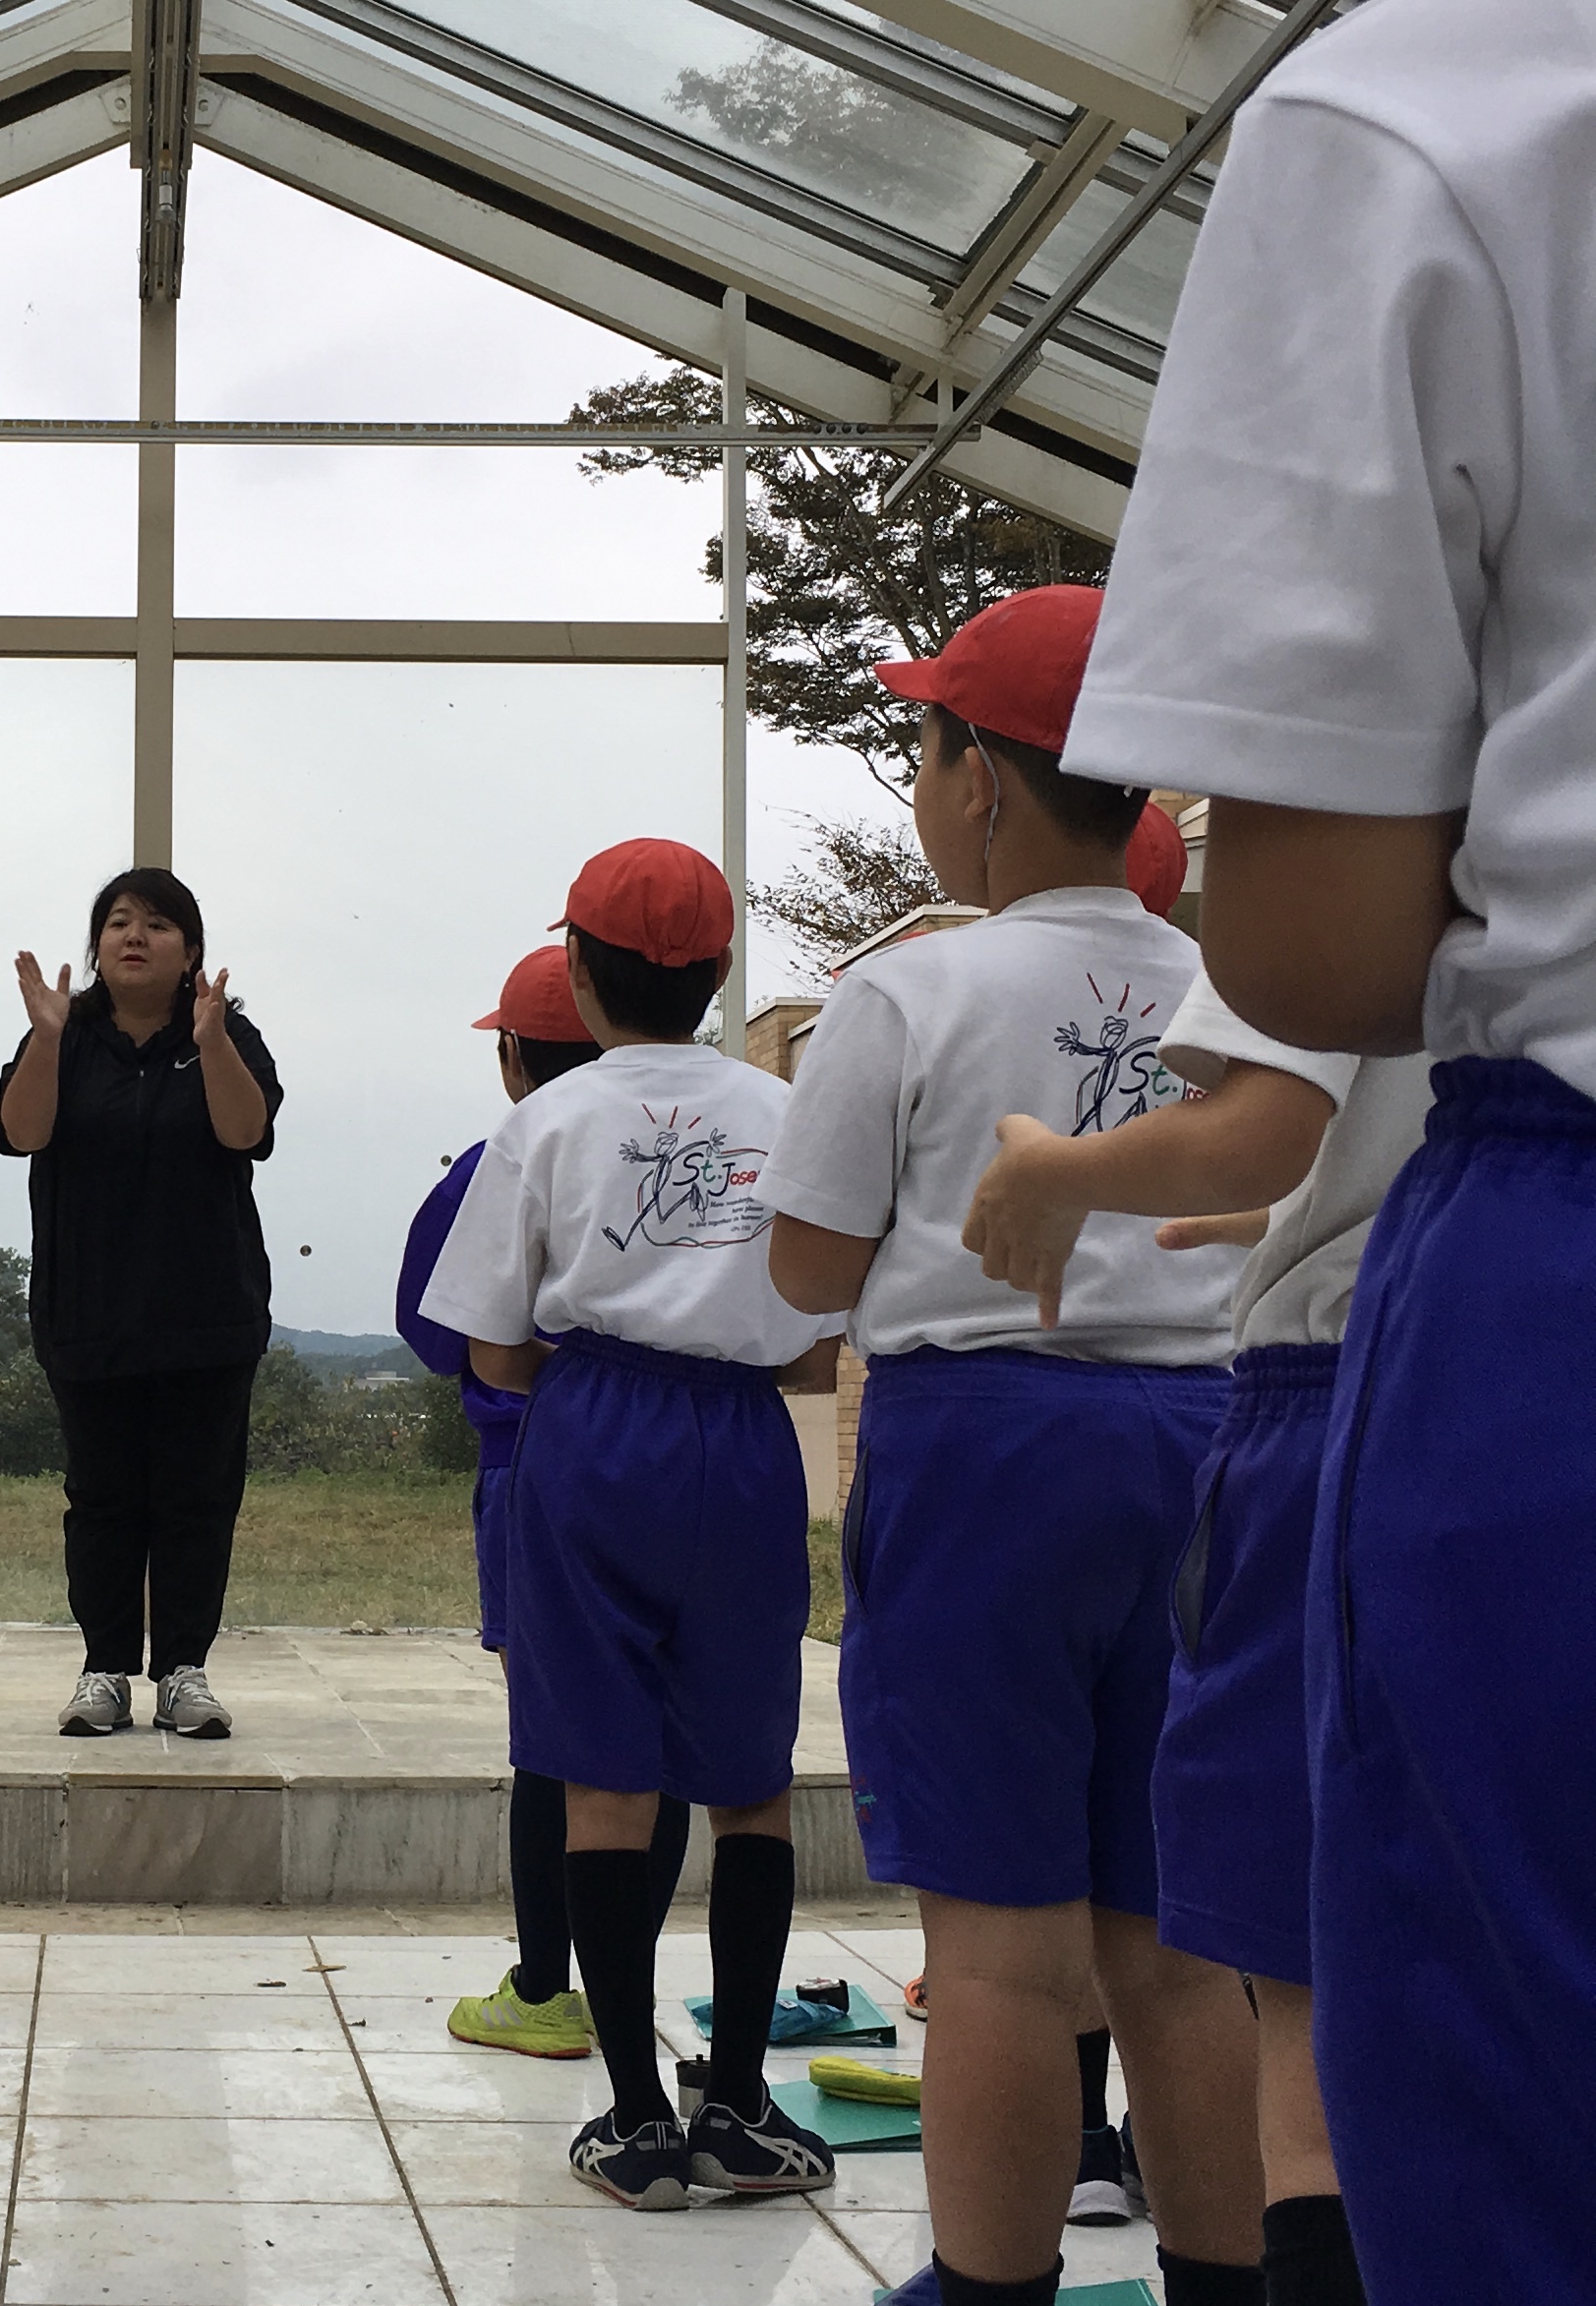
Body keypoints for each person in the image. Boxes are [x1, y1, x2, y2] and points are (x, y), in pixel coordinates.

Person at [1054, 14, 1588, 2293]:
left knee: (1387, 2034)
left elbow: (1312, 968)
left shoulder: (1441, 94)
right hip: (1213, 1393)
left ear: (987, 790)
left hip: (1473, 1321)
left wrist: (1052, 1179)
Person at [761, 586, 1266, 2306]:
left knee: (990, 1948)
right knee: (1178, 1941)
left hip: (986, 1451)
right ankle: (1220, 2275)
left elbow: (806, 1270)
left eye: (920, 745)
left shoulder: (906, 997)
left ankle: (983, 2287)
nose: (917, 780)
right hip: (1205, 1442)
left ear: (976, 779)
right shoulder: (1233, 982)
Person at [963, 971, 1430, 2306]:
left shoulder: (1383, 766)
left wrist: (1062, 1172)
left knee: (1303, 1988)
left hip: (1348, 1398)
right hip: (1510, 1353)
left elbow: (1263, 1116)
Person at [420, 841, 839, 2210]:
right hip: (739, 1438)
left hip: (594, 1432)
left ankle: (635, 2114)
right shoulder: (786, 1111)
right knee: (749, 1777)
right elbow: (816, 1340)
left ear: (585, 983)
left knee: (605, 1773)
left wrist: (590, 1377)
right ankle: (741, 2100)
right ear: (720, 976)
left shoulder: (545, 1123)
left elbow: (488, 1351)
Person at [397, 946, 692, 2062]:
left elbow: (436, 1330)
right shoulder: (702, 1134)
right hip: (697, 1453)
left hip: (538, 1465)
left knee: (557, 1737)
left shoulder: (500, 1157)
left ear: (516, 1058)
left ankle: (543, 1985)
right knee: (656, 1738)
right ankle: (631, 1976)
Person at [0, 868, 279, 1739]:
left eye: (158, 924)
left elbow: (247, 1131)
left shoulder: (228, 1033)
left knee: (198, 1498)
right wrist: (44, 1038)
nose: (134, 935)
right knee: (103, 1498)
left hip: (208, 1316)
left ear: (191, 950)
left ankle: (185, 1669)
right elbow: (23, 1132)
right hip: (90, 1316)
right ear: (96, 947)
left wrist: (214, 1040)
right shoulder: (65, 1034)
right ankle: (105, 1669)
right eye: (118, 921)